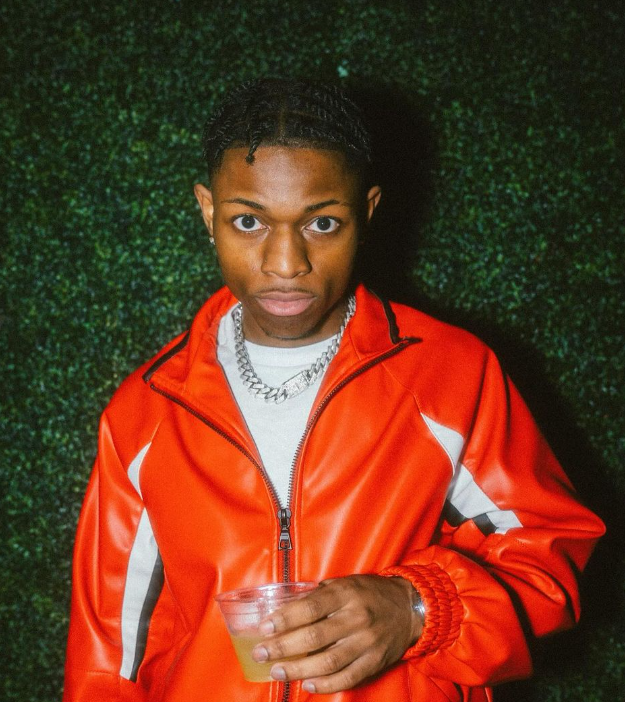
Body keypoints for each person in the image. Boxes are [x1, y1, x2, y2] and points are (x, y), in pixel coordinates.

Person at [63, 78, 604, 702]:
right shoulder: (147, 409)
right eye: (248, 221)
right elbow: (109, 655)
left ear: (366, 212)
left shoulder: (451, 376)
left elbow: (550, 561)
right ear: (207, 212)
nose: (286, 262)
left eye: (322, 223)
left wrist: (417, 608)